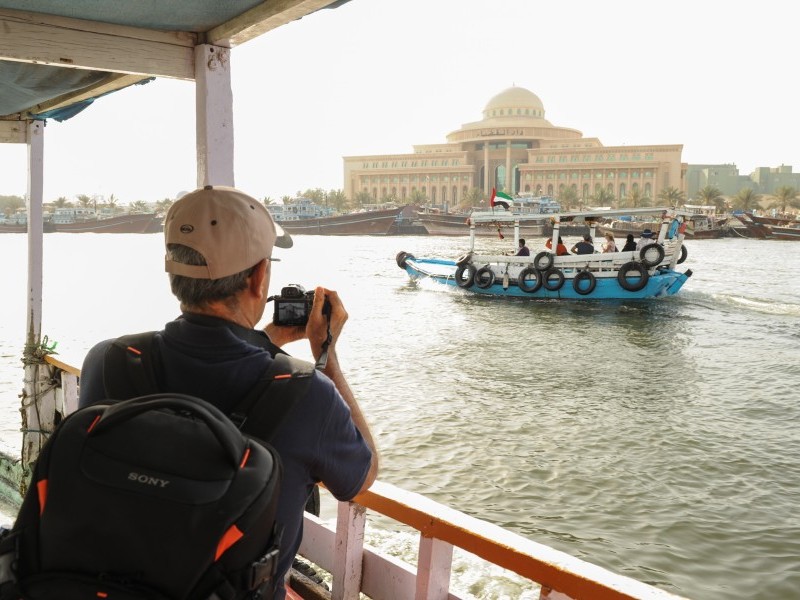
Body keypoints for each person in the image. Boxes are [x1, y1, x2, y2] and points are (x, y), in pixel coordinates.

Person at [78, 185, 378, 599]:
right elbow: (361, 479)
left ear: (174, 272)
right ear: (258, 278)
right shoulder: (310, 395)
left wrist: (265, 340)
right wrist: (326, 355)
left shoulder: (111, 360)